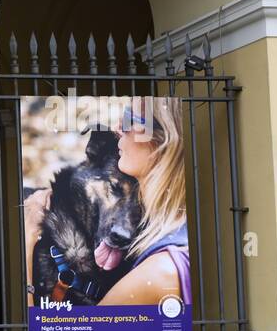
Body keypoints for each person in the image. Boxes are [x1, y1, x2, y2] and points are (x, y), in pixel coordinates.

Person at [24, 95, 190, 306]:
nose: (118, 127)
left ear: (162, 142)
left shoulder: (158, 272)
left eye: (130, 119)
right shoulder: (179, 230)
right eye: (115, 189)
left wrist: (26, 241)